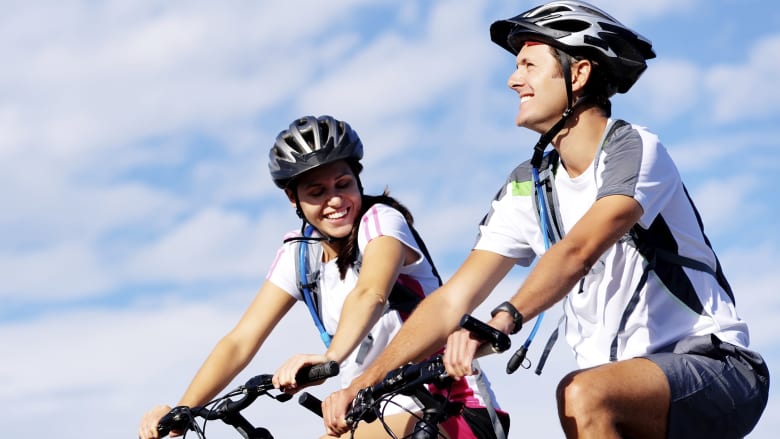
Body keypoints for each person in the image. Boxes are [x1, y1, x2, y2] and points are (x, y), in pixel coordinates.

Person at [322, 2, 770, 438]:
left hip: (716, 368)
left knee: (582, 394)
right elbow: (450, 301)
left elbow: (577, 251)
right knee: (585, 394)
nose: (513, 80)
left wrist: (503, 318)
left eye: (529, 65)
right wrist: (365, 382)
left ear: (579, 73)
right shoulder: (529, 186)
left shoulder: (632, 149)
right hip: (620, 389)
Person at [138, 115, 508, 439]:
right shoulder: (299, 256)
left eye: (343, 184)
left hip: (449, 410)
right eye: (316, 192)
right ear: (293, 198)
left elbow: (371, 293)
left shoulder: (381, 222)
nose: (334, 200)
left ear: (357, 179)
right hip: (367, 414)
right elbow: (240, 341)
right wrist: (182, 410)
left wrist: (329, 358)